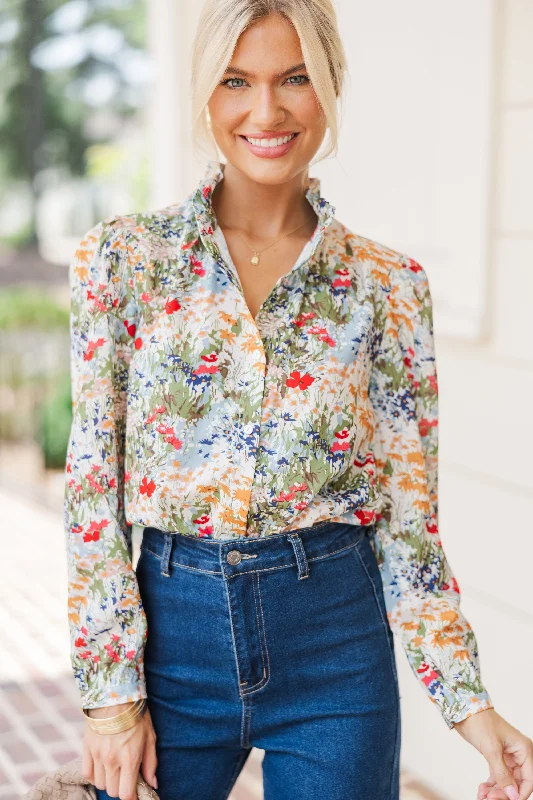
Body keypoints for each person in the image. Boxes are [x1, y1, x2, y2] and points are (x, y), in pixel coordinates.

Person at [63, 2, 533, 799]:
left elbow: (408, 520)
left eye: (295, 80)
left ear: (330, 88)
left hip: (336, 654)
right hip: (169, 641)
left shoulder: (388, 286)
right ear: (205, 97)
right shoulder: (124, 261)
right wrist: (111, 698)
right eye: (236, 81)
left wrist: (469, 702)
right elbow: (89, 489)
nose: (265, 111)